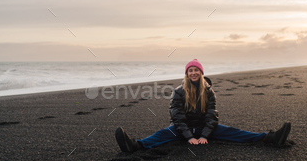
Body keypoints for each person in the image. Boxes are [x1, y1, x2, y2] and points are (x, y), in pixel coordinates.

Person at [115, 59, 291, 153]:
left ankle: (269, 138)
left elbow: (212, 115)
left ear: (201, 73)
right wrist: (188, 136)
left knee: (233, 131)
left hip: (205, 128)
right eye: (190, 70)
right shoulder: (178, 92)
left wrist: (205, 134)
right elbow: (177, 117)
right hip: (182, 128)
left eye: (196, 70)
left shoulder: (209, 92)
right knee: (162, 134)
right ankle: (135, 145)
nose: (193, 73)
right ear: (186, 74)